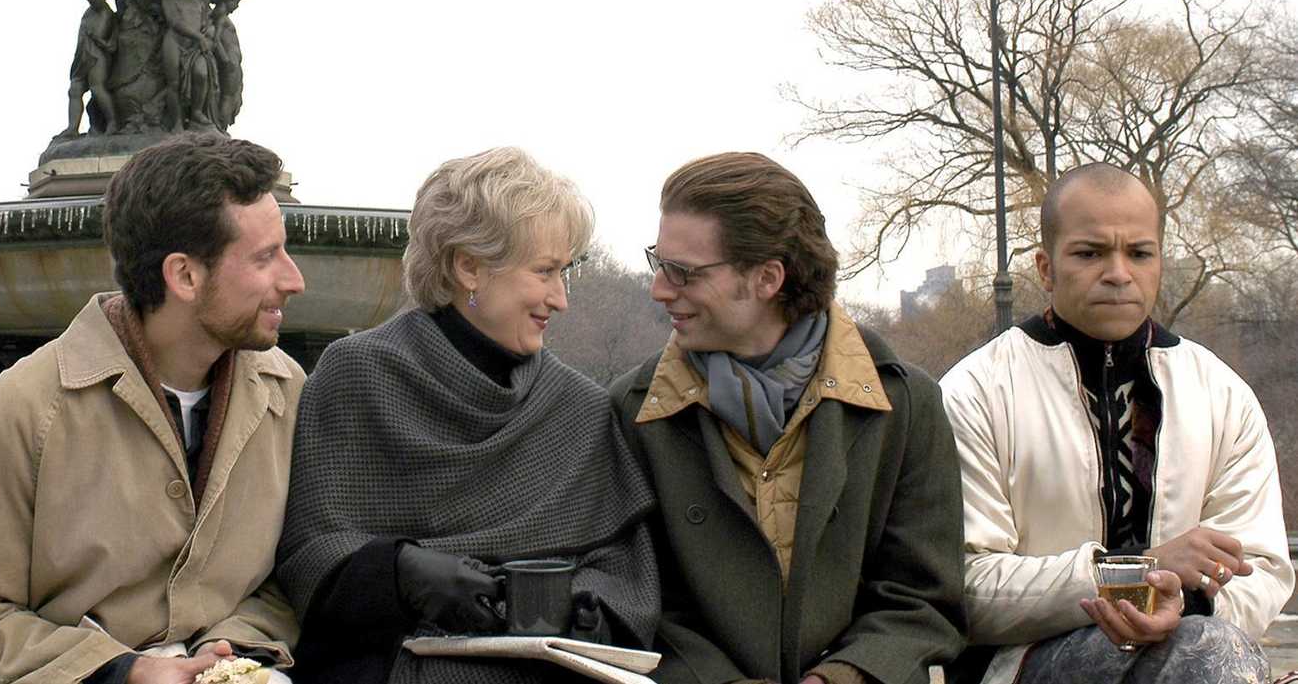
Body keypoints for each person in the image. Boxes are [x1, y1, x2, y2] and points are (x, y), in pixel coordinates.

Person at [0, 134, 308, 684]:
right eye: (266, 257)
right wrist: (121, 672)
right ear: (185, 276)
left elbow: (289, 579)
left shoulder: (289, 393)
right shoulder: (17, 413)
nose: (295, 280)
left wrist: (239, 649)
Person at [276, 146, 661, 683]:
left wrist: (590, 609)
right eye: (545, 272)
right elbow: (308, 551)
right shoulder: (356, 375)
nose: (561, 298)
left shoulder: (578, 407)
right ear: (469, 267)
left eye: (565, 272)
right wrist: (400, 573)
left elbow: (626, 570)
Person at [609, 152, 966, 684]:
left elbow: (923, 600)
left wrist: (843, 677)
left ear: (767, 278)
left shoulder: (907, 404)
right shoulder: (632, 410)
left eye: (681, 272)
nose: (660, 288)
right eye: (658, 262)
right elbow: (633, 600)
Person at [940, 163, 1293, 684]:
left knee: (1205, 646)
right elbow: (961, 586)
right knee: (1206, 653)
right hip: (1018, 663)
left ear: (1158, 263)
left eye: (1139, 253)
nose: (1119, 273)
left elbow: (1261, 565)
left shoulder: (1222, 394)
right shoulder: (975, 392)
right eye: (1090, 253)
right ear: (1045, 267)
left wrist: (1187, 601)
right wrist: (1137, 575)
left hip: (1194, 639)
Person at [61, 0, 118, 137]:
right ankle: (72, 128)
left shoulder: (101, 8)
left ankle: (113, 122)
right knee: (75, 89)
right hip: (83, 54)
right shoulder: (90, 11)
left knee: (96, 87)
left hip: (97, 55)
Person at [161, 0, 214, 131]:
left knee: (201, 74)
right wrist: (199, 37)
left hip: (195, 47)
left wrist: (207, 31)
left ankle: (196, 112)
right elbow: (174, 22)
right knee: (173, 83)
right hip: (174, 42)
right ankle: (176, 121)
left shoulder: (200, 4)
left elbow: (206, 23)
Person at [208, 0, 247, 131]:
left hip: (232, 65)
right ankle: (220, 127)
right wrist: (225, 60)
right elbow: (216, 40)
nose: (236, 6)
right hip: (229, 65)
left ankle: (220, 127)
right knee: (227, 97)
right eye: (236, 1)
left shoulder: (220, 17)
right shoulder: (220, 18)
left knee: (231, 97)